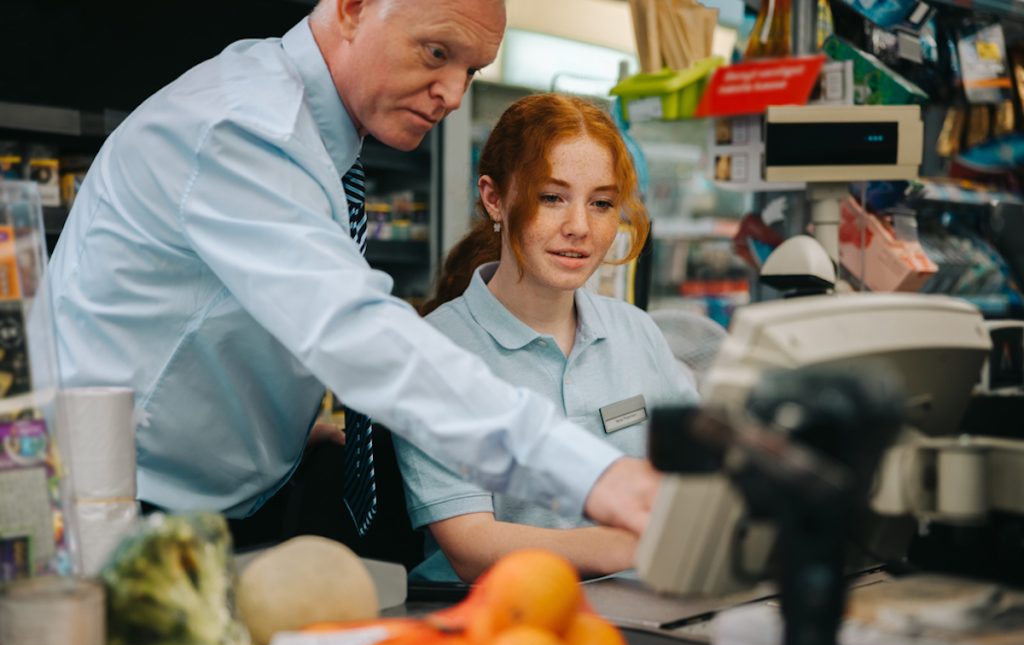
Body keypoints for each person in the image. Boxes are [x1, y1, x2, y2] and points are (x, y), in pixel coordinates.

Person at [44, 0, 661, 545]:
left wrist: (276, 423)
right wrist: (592, 474)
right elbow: (355, 332)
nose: (451, 92)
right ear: (352, 8)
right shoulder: (244, 128)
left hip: (216, 503)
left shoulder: (318, 139)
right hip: (111, 510)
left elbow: (242, 305)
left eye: (470, 70)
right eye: (436, 52)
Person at [394, 94, 700, 583]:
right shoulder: (437, 348)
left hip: (641, 610)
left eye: (601, 204)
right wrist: (632, 544)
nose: (579, 227)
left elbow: (695, 478)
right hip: (502, 626)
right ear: (495, 198)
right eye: (551, 197)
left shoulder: (635, 331)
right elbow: (472, 546)